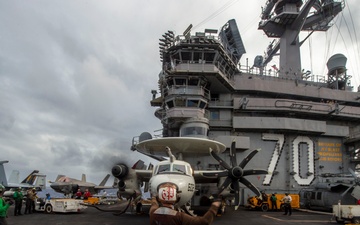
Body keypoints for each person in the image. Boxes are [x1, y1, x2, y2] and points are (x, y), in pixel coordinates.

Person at [149, 182, 221, 225]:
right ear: (177, 198)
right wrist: (214, 206)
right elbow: (204, 222)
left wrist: (154, 197)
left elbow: (154, 204)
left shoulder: (153, 212)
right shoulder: (179, 216)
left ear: (159, 198)